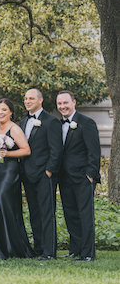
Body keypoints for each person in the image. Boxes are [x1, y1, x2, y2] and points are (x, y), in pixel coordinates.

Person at [57, 90, 100, 262]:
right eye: (59, 104)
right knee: (70, 214)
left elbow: (94, 151)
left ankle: (88, 253)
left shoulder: (86, 123)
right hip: (65, 177)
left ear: (74, 102)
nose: (62, 106)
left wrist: (90, 174)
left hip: (83, 177)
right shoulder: (58, 124)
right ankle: (75, 249)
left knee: (85, 215)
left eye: (65, 103)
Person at [0, 98, 36, 260]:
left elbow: (26, 150)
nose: (0, 112)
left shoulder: (14, 129)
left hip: (9, 171)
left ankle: (10, 246)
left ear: (11, 112)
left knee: (0, 207)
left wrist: (8, 153)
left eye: (4, 110)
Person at [19, 88, 62, 260]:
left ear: (40, 100)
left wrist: (49, 171)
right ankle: (39, 247)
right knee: (34, 213)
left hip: (45, 175)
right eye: (26, 98)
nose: (27, 101)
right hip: (27, 175)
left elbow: (56, 150)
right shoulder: (22, 123)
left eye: (31, 98)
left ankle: (49, 251)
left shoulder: (51, 121)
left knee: (47, 213)